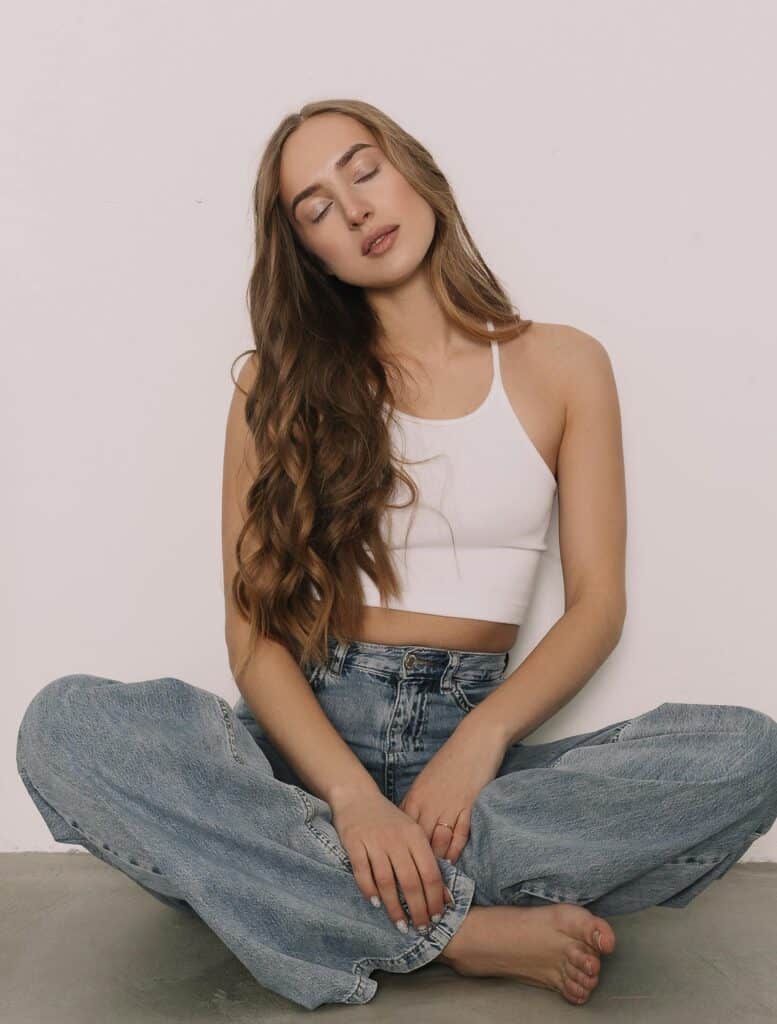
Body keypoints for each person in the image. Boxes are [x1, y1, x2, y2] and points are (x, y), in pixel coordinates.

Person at [16, 98, 777, 1012]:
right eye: (316, 208)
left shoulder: (564, 364)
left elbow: (597, 604)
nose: (356, 209)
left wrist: (479, 742)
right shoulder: (273, 386)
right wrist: (348, 797)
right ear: (310, 254)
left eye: (363, 170)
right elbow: (252, 639)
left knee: (744, 752)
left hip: (470, 769)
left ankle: (303, 889)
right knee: (69, 727)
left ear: (414, 172)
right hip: (305, 753)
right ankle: (458, 932)